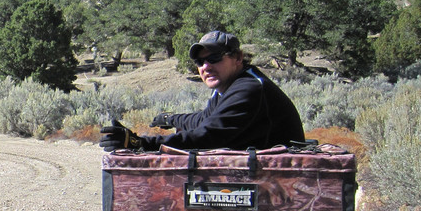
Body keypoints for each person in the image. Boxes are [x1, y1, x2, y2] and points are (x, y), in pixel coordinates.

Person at [99, 30, 304, 152]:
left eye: (214, 58)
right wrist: (171, 119)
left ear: (238, 58)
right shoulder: (228, 87)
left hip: (281, 183)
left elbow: (208, 136)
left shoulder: (249, 89)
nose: (205, 66)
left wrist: (140, 143)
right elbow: (205, 119)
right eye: (199, 61)